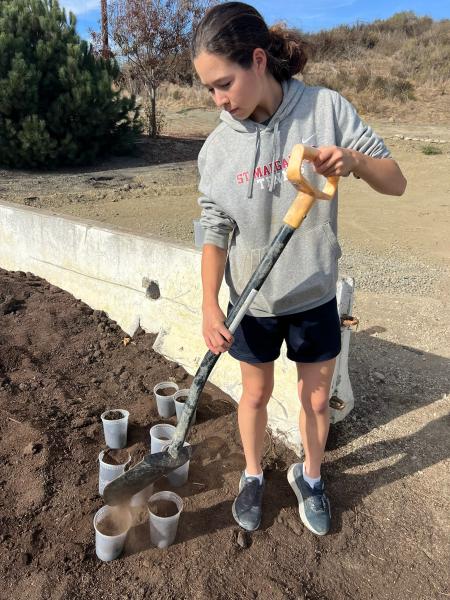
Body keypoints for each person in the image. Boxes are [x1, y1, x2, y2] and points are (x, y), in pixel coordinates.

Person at [191, 2, 406, 535]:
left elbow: (396, 181)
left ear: (258, 60)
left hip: (312, 292)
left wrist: (353, 162)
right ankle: (252, 474)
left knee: (315, 398)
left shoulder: (325, 110)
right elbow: (214, 230)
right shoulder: (217, 148)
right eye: (210, 90)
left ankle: (309, 476)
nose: (220, 100)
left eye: (225, 84)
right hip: (252, 303)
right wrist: (208, 302)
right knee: (256, 394)